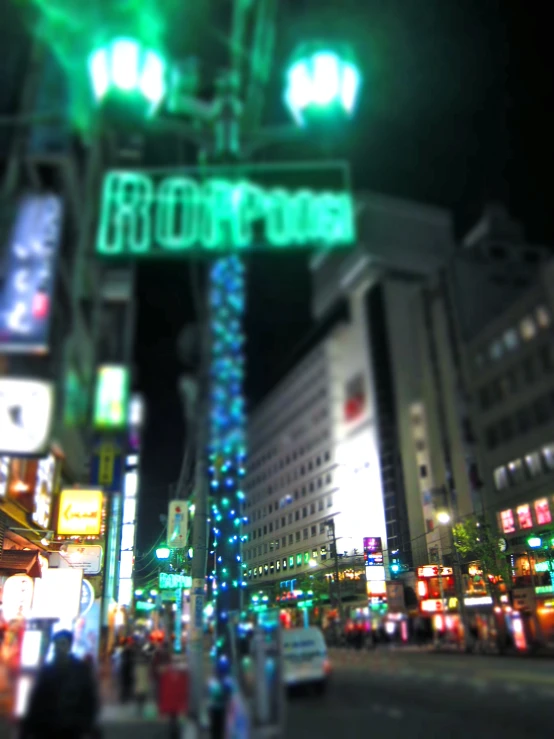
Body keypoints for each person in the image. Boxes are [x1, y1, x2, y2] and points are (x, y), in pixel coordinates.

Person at [20, 629, 99, 739]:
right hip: (49, 729)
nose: (59, 648)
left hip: (71, 729)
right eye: (56, 644)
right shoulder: (47, 671)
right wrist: (27, 729)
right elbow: (36, 702)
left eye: (62, 644)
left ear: (69, 647)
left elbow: (89, 700)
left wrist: (86, 725)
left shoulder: (80, 671)